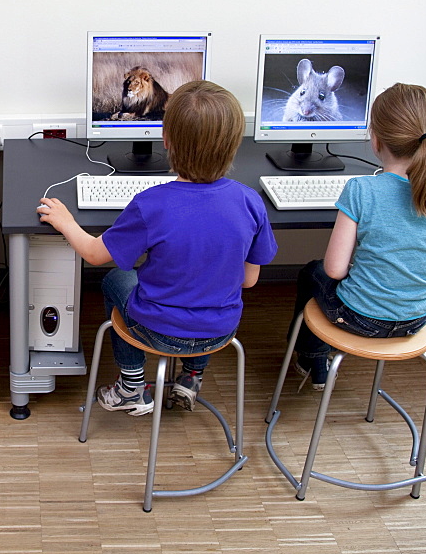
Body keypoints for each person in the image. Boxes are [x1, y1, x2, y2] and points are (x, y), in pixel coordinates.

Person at [38, 80, 277, 415]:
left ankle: (131, 387)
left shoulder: (152, 205)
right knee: (211, 285)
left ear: (166, 140)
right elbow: (248, 280)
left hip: (158, 332)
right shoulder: (251, 202)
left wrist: (65, 222)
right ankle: (191, 378)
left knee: (115, 280)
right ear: (234, 143)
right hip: (220, 332)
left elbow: (94, 254)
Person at [288, 83, 426, 389]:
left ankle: (312, 359)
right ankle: (313, 361)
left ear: (375, 138)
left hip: (360, 319)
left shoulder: (362, 190)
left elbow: (334, 270)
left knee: (312, 272)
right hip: (416, 320)